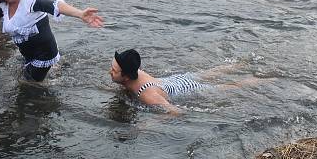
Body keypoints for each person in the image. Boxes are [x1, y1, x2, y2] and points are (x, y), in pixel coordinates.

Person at [110, 49, 257, 115]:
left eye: (114, 70)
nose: (109, 72)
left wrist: (149, 125)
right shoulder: (136, 71)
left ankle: (263, 80)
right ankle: (245, 63)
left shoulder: (146, 94)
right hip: (176, 79)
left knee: (227, 87)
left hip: (187, 88)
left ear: (127, 76)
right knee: (213, 72)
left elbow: (176, 112)